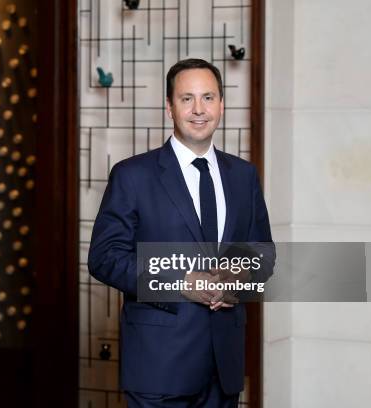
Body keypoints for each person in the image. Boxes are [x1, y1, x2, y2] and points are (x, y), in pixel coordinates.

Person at [87, 58, 275, 408]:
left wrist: (237, 275)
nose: (199, 109)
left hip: (224, 366)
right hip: (159, 368)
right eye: (187, 98)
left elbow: (262, 252)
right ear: (170, 108)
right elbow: (104, 258)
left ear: (221, 104)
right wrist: (182, 281)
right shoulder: (133, 176)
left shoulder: (243, 175)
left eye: (208, 97)